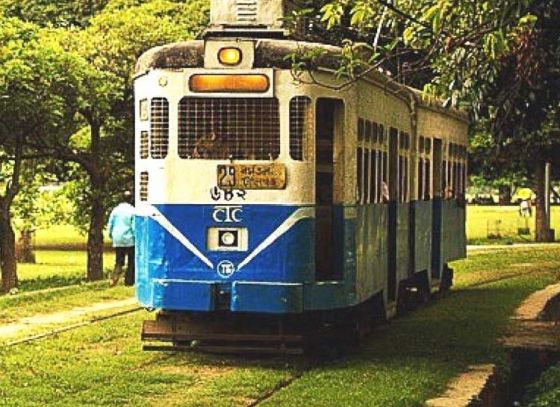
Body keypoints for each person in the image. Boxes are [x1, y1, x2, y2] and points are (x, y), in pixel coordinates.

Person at [108, 191, 135, 286]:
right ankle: (129, 282)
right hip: (129, 239)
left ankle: (114, 279)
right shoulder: (132, 210)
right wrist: (136, 237)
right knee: (131, 261)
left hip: (117, 238)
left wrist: (111, 235)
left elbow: (110, 224)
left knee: (119, 261)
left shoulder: (115, 210)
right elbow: (134, 226)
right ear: (131, 199)